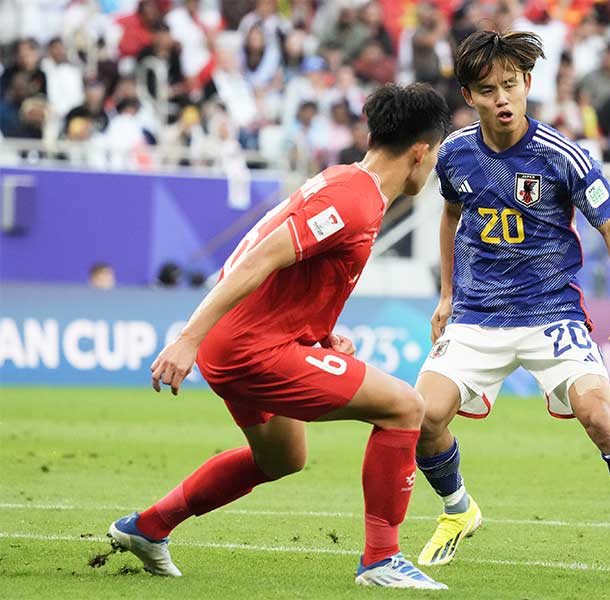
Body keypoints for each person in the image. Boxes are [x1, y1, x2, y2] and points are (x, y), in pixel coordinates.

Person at [106, 83, 451, 590]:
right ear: (421, 152)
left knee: (283, 456)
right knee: (404, 406)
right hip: (248, 348)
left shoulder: (346, 183)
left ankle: (148, 527)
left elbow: (295, 275)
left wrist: (321, 336)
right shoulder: (353, 200)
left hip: (246, 339)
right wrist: (187, 338)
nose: (435, 163)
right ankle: (382, 559)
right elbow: (259, 259)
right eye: (437, 152)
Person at [413, 30, 610, 579]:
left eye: (511, 85)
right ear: (469, 96)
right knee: (422, 417)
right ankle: (459, 510)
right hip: (478, 316)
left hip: (551, 312)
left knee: (599, 415)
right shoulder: (455, 154)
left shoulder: (563, 156)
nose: (502, 99)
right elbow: (450, 216)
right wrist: (446, 295)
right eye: (488, 90)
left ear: (528, 83)